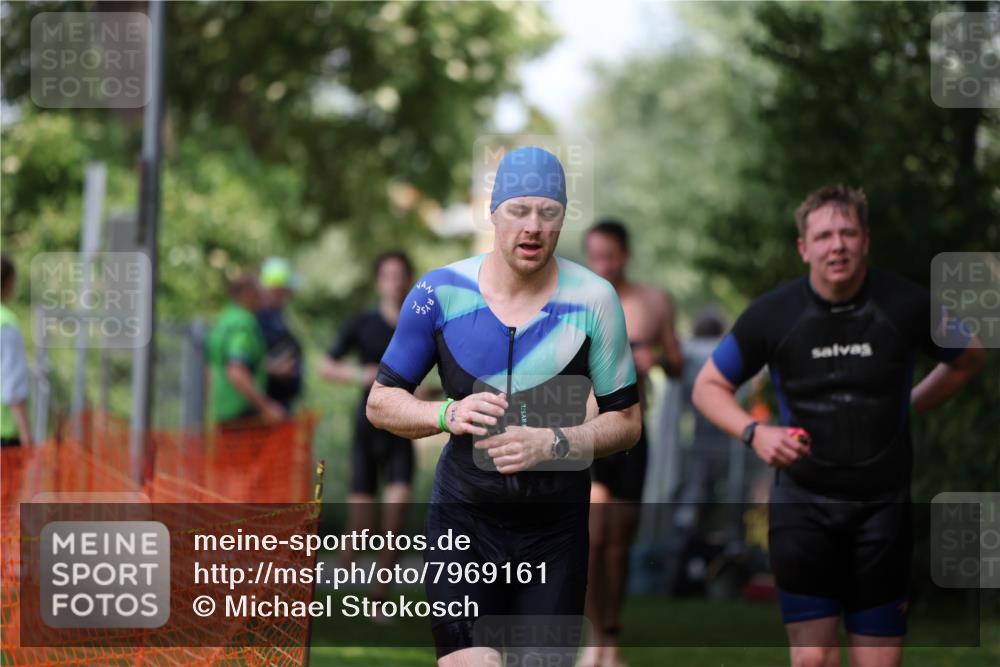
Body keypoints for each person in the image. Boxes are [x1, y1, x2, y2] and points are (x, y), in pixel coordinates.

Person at [367, 147, 642, 666]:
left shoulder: (595, 300)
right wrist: (445, 414)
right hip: (464, 521)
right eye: (519, 210)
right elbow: (380, 402)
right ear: (493, 212)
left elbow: (626, 423)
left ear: (563, 218)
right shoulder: (439, 292)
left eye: (549, 212)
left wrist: (557, 441)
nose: (533, 226)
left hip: (554, 531)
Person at [692, 185, 985, 667]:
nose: (838, 245)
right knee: (813, 660)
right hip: (804, 510)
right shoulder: (773, 314)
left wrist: (912, 402)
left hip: (881, 511)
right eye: (824, 235)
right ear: (804, 248)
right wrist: (755, 433)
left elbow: (969, 356)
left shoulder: (907, 305)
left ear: (865, 240)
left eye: (848, 232)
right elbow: (708, 386)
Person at [581, 219, 683, 667]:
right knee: (591, 540)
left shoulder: (654, 302)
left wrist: (654, 357)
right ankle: (591, 639)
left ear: (625, 254)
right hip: (586, 431)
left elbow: (678, 364)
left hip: (631, 430)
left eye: (611, 255)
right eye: (595, 255)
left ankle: (610, 639)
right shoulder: (575, 299)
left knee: (620, 543)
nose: (603, 264)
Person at [320, 251, 416, 604]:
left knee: (396, 518)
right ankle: (331, 595)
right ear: (379, 281)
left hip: (403, 430)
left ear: (409, 280)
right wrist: (361, 374)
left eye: (400, 275)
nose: (394, 282)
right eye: (387, 275)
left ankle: (379, 598)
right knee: (360, 530)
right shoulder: (362, 323)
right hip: (367, 427)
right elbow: (326, 366)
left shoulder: (418, 323)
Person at [206, 274, 286, 428]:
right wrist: (266, 407)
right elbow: (236, 372)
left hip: (220, 412)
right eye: (260, 293)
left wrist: (270, 368)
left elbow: (216, 365)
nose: (264, 297)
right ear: (248, 295)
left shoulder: (224, 319)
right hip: (242, 416)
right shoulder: (244, 323)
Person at [257, 257, 304, 412]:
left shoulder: (278, 315)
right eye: (285, 290)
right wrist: (273, 368)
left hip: (282, 403)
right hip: (266, 408)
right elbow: (243, 364)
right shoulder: (257, 318)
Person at [1, 255, 32, 447]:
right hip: (4, 431)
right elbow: (13, 384)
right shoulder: (6, 323)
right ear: (9, 283)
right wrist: (26, 436)